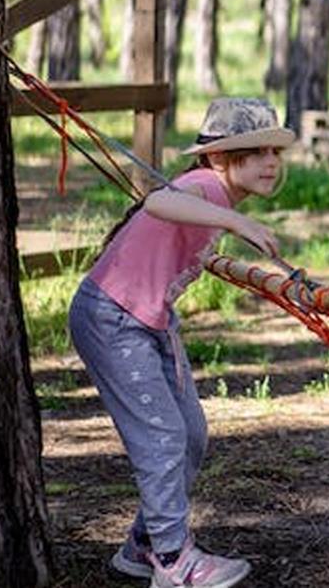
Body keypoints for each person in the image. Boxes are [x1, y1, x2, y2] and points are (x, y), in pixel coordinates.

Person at [69, 98, 293, 587]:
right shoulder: (204, 186)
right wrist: (238, 224)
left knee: (189, 433)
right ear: (218, 158)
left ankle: (142, 547)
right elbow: (158, 201)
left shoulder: (216, 195)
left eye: (275, 151)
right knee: (164, 437)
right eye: (255, 152)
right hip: (114, 318)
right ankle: (173, 562)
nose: (271, 162)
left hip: (149, 320)